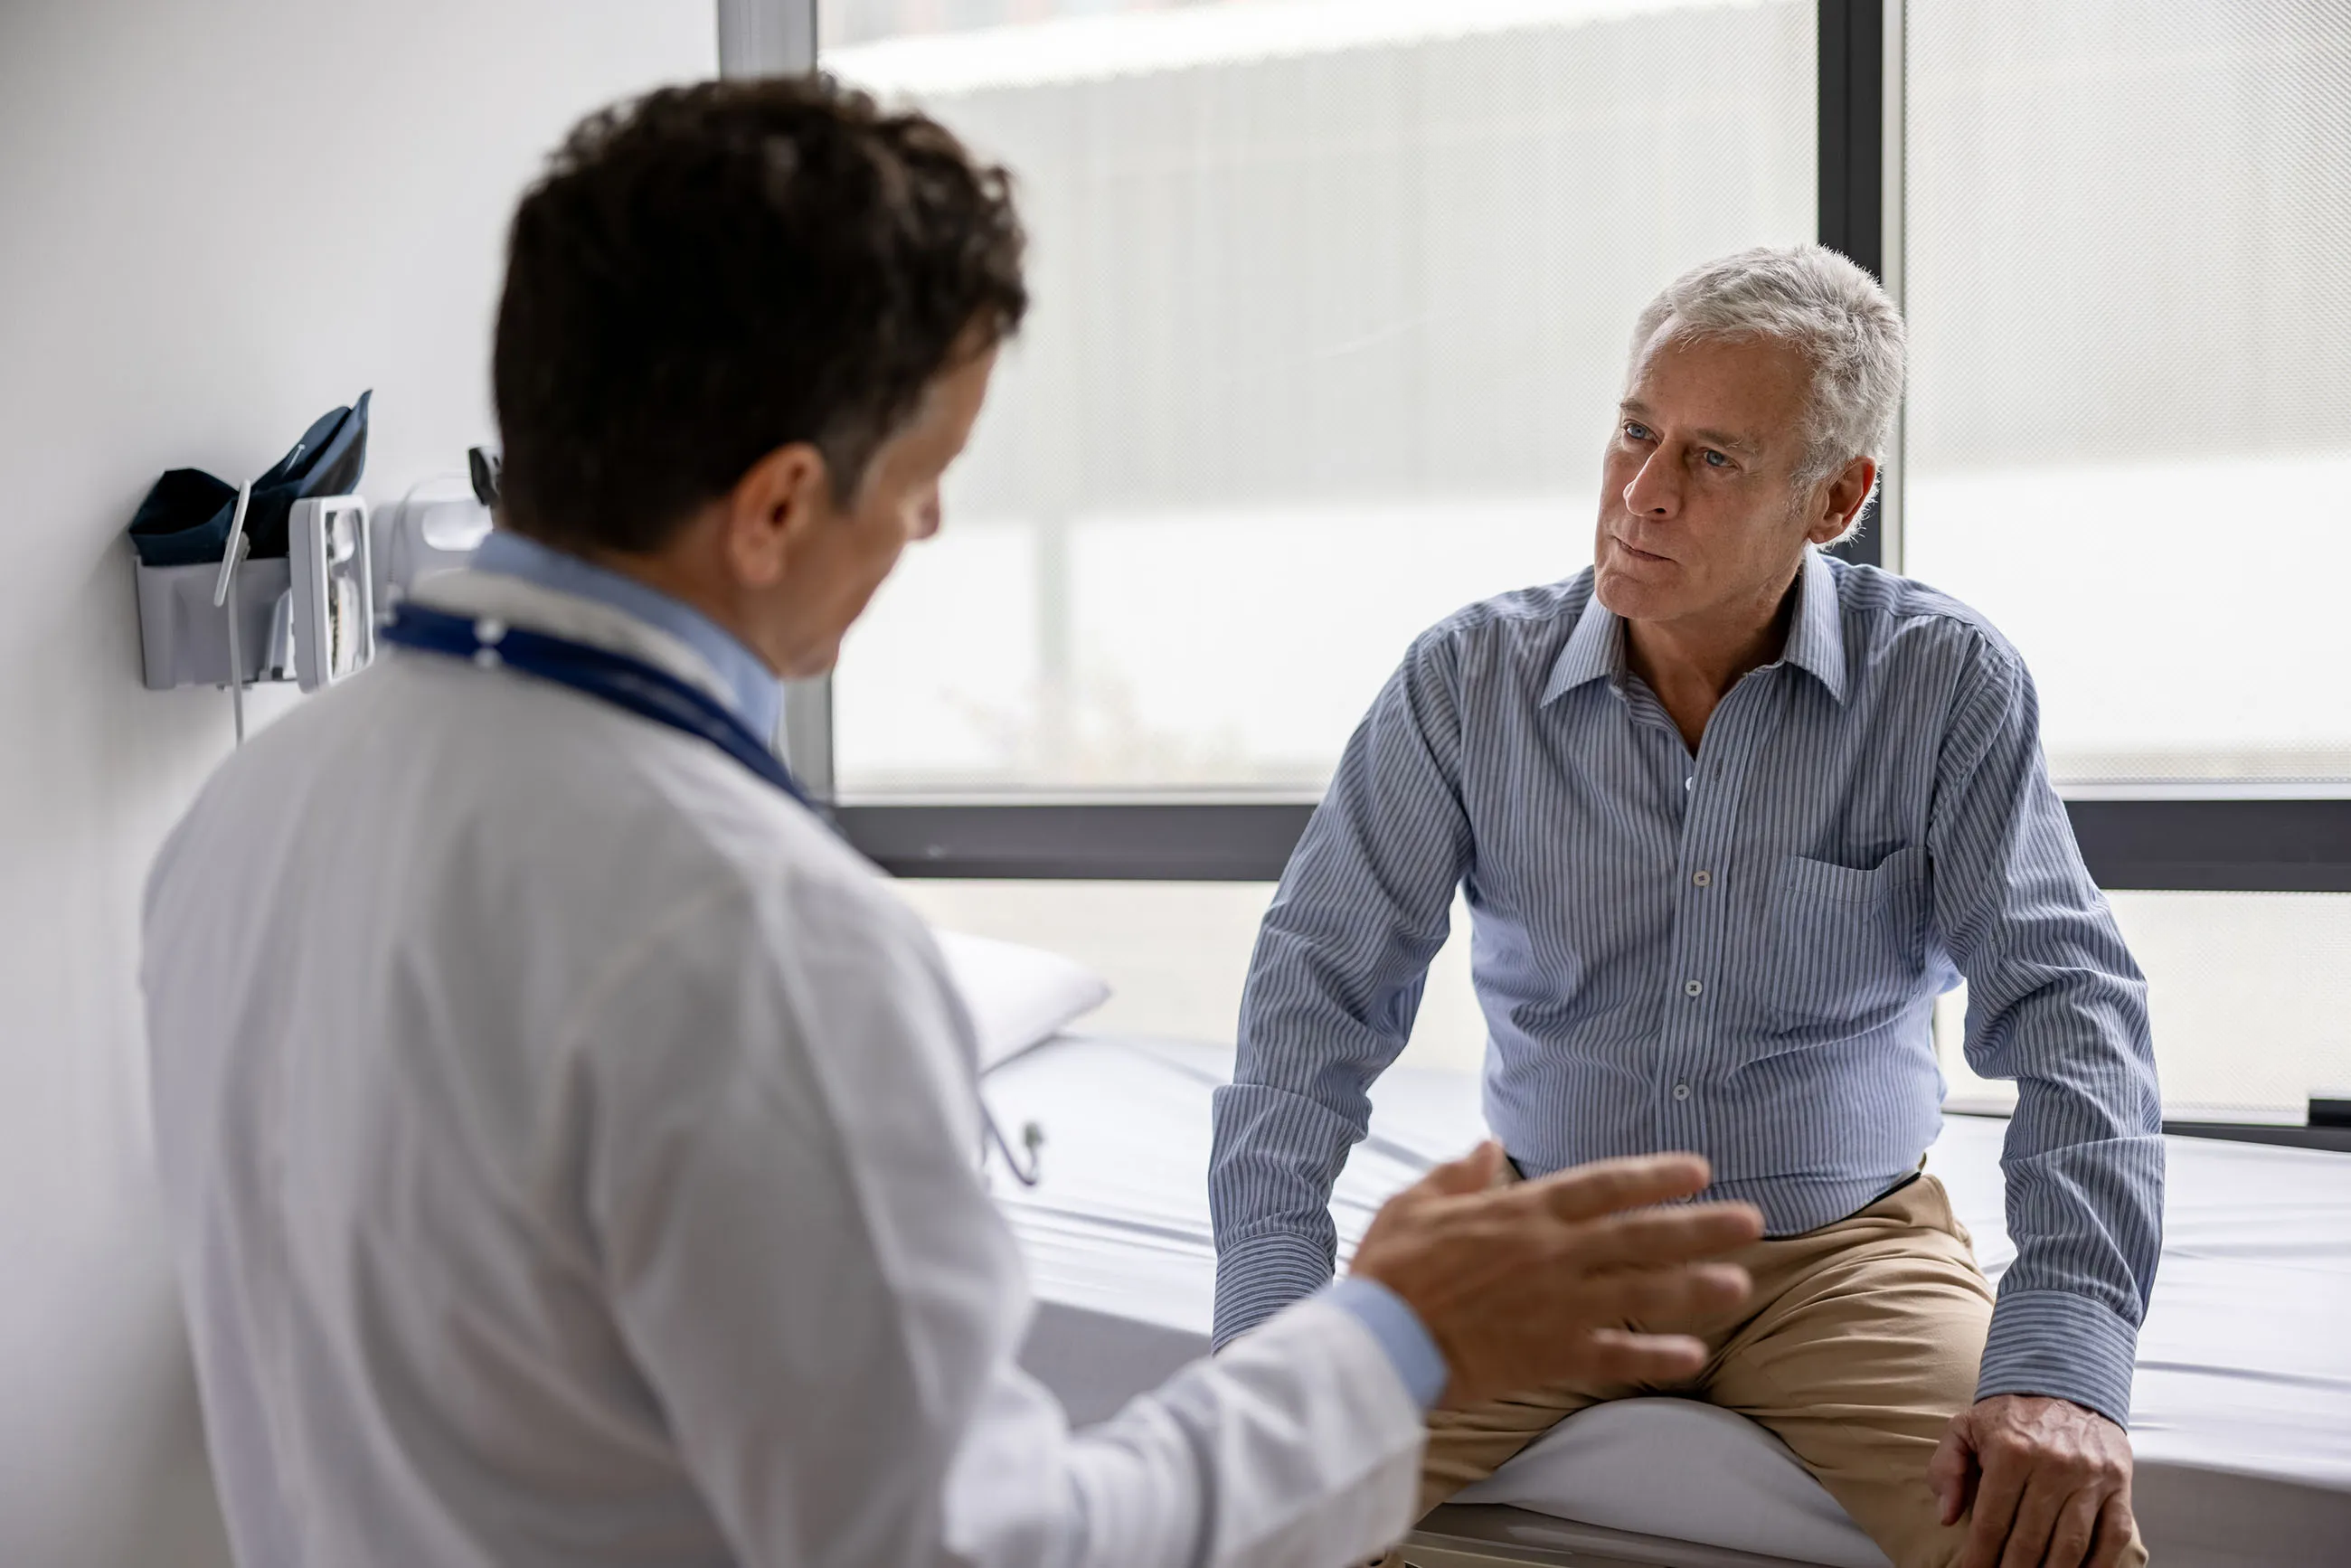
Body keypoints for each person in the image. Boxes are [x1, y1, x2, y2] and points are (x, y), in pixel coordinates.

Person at [139, 78, 1766, 1568]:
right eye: (927, 468)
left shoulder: (249, 811)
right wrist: (1397, 1331)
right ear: (778, 503)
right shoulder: (756, 936)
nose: (929, 520)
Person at [1208, 246, 2163, 1568]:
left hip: (1846, 1257)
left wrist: (2065, 1355)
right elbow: (1311, 996)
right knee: (1245, 1504)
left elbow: (2073, 1014)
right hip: (1544, 1244)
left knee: (2050, 1540)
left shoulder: (1945, 685)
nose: (1640, 496)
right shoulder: (1463, 682)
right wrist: (1272, 1312)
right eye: (1635, 433)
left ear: (1836, 497)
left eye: (1713, 459)